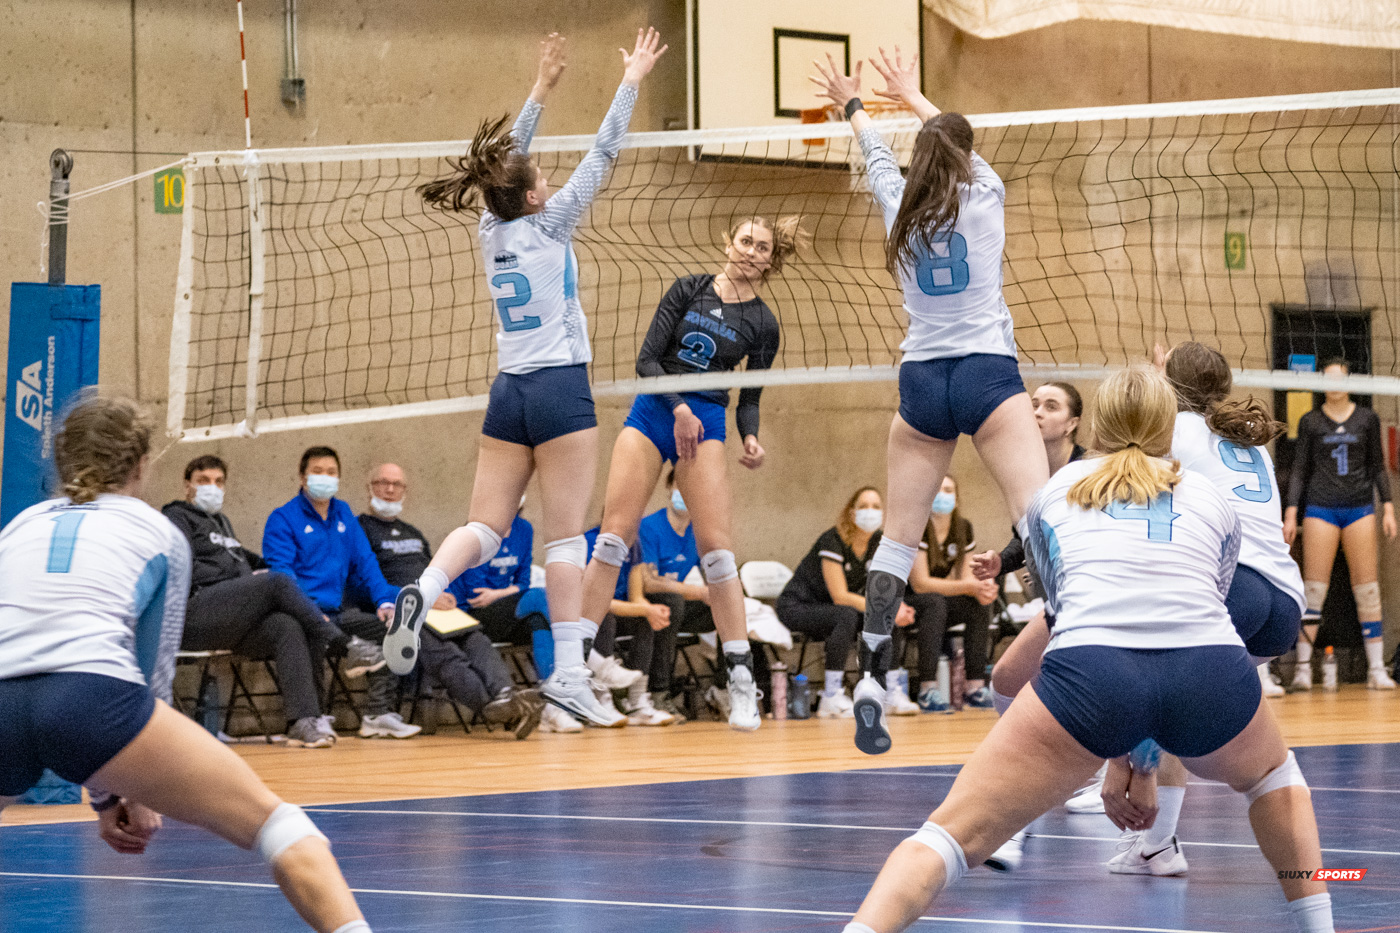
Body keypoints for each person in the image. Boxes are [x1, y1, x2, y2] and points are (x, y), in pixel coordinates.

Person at [840, 367, 1336, 933]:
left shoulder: (1051, 497)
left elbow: (1062, 607)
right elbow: (1206, 602)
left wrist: (1119, 756)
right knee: (1274, 779)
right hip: (1209, 667)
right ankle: (1318, 922)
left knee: (943, 838)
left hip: (1091, 675)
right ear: (1167, 428)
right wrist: (1140, 764)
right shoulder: (1209, 496)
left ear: (1093, 425)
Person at [0, 396, 374, 933]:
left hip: (3, 699)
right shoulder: (157, 531)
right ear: (140, 464)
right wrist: (122, 788)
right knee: (281, 826)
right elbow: (151, 675)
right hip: (94, 697)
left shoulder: (18, 526)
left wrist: (109, 790)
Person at [388, 29, 668, 731]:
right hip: (558, 390)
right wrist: (630, 78)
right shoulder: (552, 222)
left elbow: (504, 168)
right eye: (540, 175)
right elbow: (604, 150)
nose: (545, 178)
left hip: (508, 390)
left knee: (486, 522)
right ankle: (571, 674)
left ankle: (423, 586)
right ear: (537, 196)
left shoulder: (492, 227)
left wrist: (542, 87)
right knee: (566, 537)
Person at [810, 47, 1050, 755]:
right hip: (986, 373)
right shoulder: (984, 193)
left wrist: (854, 104)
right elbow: (950, 142)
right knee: (1040, 517)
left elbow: (876, 148)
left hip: (922, 378)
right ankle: (1074, 644)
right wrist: (913, 95)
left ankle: (871, 679)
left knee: (897, 539)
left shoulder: (899, 202)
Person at [575, 212, 804, 734]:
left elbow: (751, 398)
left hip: (705, 422)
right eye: (746, 240)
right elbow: (647, 360)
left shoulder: (763, 323)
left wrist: (750, 435)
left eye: (763, 247)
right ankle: (577, 660)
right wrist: (677, 406)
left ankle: (742, 678)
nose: (751, 251)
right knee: (612, 538)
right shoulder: (689, 288)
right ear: (728, 242)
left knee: (719, 554)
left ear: (772, 260)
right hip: (655, 410)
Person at [163, 455, 344, 749]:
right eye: (204, 481)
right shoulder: (176, 516)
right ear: (187, 486)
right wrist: (250, 579)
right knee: (276, 581)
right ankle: (339, 641)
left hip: (230, 617)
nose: (213, 487)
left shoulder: (221, 523)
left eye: (219, 481)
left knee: (286, 625)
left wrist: (256, 571)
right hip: (194, 613)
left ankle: (303, 721)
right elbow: (180, 565)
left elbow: (243, 559)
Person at [359, 464, 541, 740]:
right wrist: (414, 599)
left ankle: (506, 695)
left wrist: (441, 593)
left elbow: (437, 569)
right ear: (369, 487)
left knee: (477, 640)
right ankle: (493, 708)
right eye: (383, 482)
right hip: (402, 610)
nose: (390, 489)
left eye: (397, 484)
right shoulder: (360, 530)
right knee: (445, 654)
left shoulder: (413, 533)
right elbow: (363, 580)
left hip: (435, 604)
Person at [263, 447, 421, 740]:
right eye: (317, 472)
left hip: (338, 614)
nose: (325, 478)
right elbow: (282, 576)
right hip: (301, 612)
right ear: (302, 476)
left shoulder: (344, 513)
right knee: (306, 631)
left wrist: (385, 601)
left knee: (392, 627)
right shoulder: (282, 518)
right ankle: (314, 716)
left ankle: (377, 714)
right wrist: (310, 612)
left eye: (331, 473)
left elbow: (366, 562)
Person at [1283, 358, 1398, 690]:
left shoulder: (1367, 419)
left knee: (1368, 590)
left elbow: (1378, 467)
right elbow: (1300, 469)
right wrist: (1291, 512)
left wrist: (1388, 508)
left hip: (1360, 508)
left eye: (1339, 378)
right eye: (1327, 378)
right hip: (1321, 508)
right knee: (1314, 590)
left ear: (1350, 382)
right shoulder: (1311, 422)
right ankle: (1304, 669)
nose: (1333, 383)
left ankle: (1377, 669)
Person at [779, 487, 887, 718]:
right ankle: (831, 694)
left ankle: (884, 690)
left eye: (876, 507)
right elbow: (840, 596)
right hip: (797, 606)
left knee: (881, 617)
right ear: (851, 512)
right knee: (847, 613)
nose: (870, 512)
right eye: (864, 506)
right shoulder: (833, 539)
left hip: (830, 611)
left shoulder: (879, 542)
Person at [901, 475, 999, 711]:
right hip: (910, 601)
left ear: (956, 499)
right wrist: (970, 586)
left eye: (948, 490)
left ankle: (975, 687)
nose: (942, 495)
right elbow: (920, 584)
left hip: (940, 601)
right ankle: (927, 690)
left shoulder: (963, 527)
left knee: (977, 603)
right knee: (934, 603)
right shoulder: (918, 526)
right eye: (937, 489)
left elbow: (966, 580)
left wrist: (983, 588)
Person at [585, 526, 681, 726]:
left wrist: (653, 612)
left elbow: (636, 597)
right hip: (589, 615)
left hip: (618, 610)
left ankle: (637, 702)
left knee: (645, 619)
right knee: (606, 617)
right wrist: (646, 610)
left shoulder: (634, 543)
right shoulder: (590, 542)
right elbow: (598, 602)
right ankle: (600, 700)